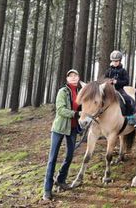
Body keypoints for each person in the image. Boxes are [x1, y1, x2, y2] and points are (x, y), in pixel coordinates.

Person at [42, 69, 83, 201]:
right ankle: (47, 189)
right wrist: (75, 114)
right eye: (70, 76)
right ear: (67, 79)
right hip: (59, 129)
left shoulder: (80, 92)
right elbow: (60, 110)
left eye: (75, 75)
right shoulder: (62, 92)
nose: (73, 78)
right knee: (52, 158)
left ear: (78, 78)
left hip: (72, 129)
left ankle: (60, 179)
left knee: (70, 155)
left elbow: (83, 108)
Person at [104, 50, 136, 120]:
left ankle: (130, 117)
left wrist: (117, 82)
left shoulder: (123, 71)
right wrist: (108, 81)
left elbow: (126, 82)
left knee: (128, 99)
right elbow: (104, 79)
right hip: (109, 90)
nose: (115, 63)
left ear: (120, 61)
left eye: (116, 61)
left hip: (119, 89)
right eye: (113, 61)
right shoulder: (108, 71)